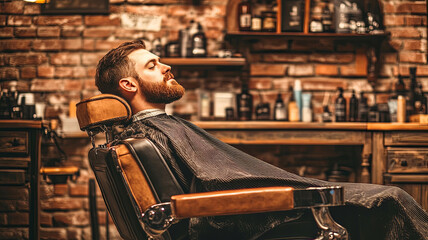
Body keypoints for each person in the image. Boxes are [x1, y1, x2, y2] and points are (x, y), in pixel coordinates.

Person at [95, 39, 428, 240]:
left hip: (233, 217)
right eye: (153, 65)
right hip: (241, 224)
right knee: (389, 197)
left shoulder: (144, 132)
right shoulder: (154, 133)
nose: (167, 66)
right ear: (128, 85)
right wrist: (306, 191)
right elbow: (215, 187)